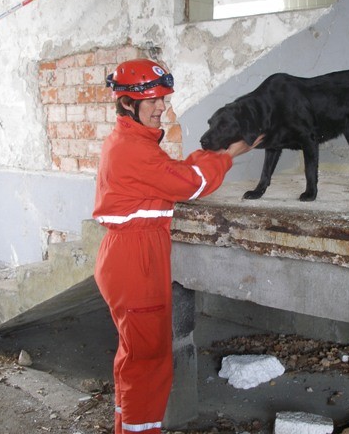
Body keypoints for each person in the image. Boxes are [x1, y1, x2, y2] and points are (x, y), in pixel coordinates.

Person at [92, 58, 262, 434]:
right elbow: (190, 184)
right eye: (152, 100)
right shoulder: (132, 149)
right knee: (149, 362)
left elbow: (175, 174)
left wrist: (212, 155)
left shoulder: (131, 142)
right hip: (135, 259)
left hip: (130, 254)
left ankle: (127, 427)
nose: (161, 108)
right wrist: (230, 154)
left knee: (135, 355)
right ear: (126, 103)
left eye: (164, 99)